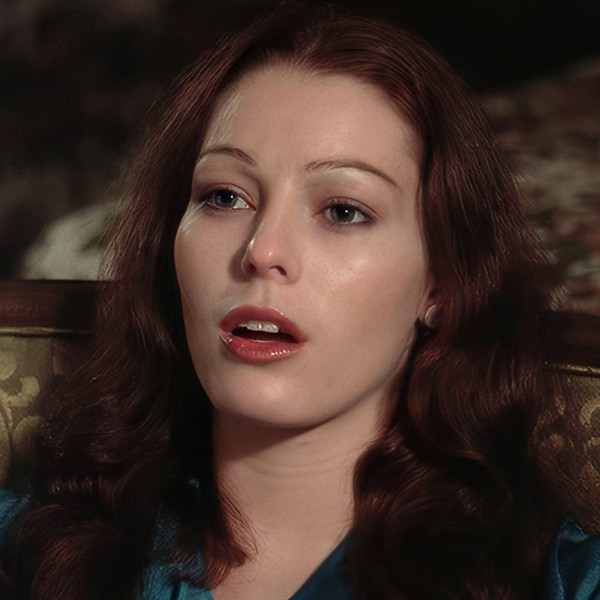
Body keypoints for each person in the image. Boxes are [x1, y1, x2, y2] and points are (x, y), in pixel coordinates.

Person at [0, 3, 598, 599]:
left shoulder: (561, 582)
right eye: (224, 196)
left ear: (440, 284)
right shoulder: (28, 545)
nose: (262, 251)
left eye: (343, 211)